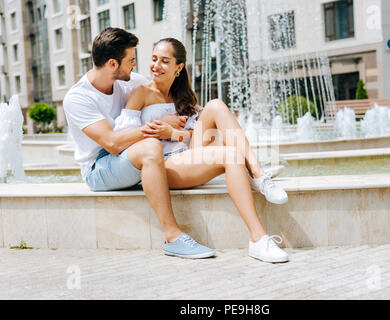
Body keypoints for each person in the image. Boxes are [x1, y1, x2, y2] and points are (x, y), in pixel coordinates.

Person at [63, 28, 288, 263]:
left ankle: (258, 218)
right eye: (132, 60)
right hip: (101, 167)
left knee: (220, 119)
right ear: (112, 63)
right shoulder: (79, 97)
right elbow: (112, 143)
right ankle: (173, 237)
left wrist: (178, 133)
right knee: (152, 147)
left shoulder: (131, 81)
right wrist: (162, 127)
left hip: (161, 156)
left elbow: (195, 122)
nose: (138, 65)